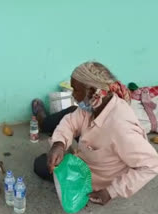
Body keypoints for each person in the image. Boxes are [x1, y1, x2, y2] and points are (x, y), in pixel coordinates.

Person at [32, 62, 158, 205]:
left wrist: (111, 191)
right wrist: (59, 144)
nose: (73, 95)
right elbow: (70, 122)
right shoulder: (96, 104)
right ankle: (44, 123)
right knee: (71, 112)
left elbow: (151, 164)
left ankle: (44, 123)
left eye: (75, 90)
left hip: (95, 175)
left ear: (92, 92)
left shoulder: (121, 128)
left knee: (41, 164)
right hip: (92, 150)